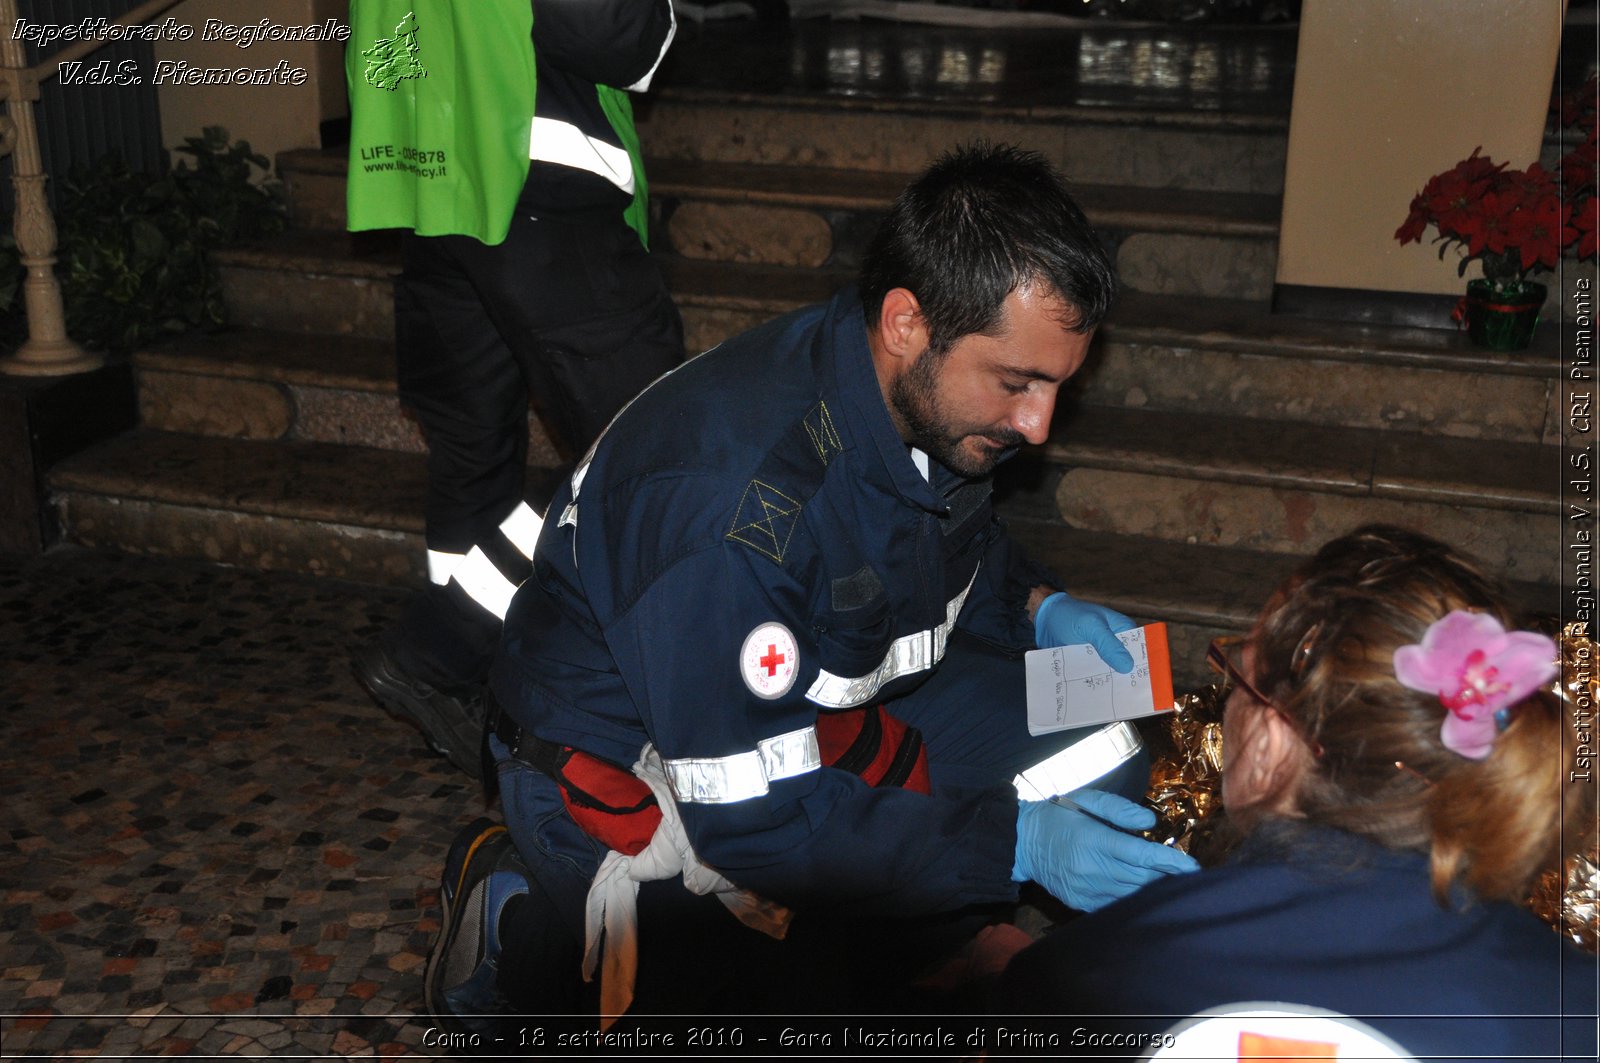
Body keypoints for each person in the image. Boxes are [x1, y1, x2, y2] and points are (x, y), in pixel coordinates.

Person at [424, 143, 1201, 1032]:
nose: (1038, 423)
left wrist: (1039, 604)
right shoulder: (732, 505)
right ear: (908, 321)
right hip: (635, 756)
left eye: (1058, 385)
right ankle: (523, 920)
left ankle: (930, 944)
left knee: (1099, 730)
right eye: (1018, 383)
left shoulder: (913, 395)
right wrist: (1015, 846)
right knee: (782, 1009)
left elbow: (953, 552)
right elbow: (755, 822)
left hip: (811, 707)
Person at [996, 524, 1597, 1062]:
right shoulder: (1577, 1009)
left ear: (1273, 737)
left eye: (1238, 675)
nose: (1226, 699)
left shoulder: (1096, 974)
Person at [344, 0, 685, 778]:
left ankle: (480, 686)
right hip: (538, 185)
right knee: (649, 449)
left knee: (470, 452)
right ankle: (443, 646)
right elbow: (619, 36)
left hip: (436, 180)